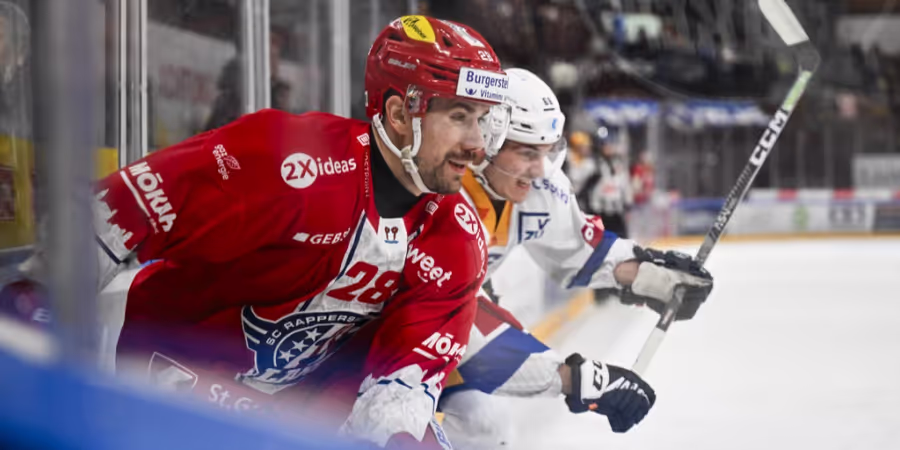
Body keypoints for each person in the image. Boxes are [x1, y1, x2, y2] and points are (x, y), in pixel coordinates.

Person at [88, 15, 510, 448]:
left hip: (282, 407)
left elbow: (403, 382)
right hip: (162, 369)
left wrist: (395, 436)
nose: (477, 144)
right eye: (459, 116)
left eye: (481, 119)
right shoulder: (294, 163)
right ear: (400, 114)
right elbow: (119, 209)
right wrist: (48, 318)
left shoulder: (456, 237)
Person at [436, 68, 714, 449]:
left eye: (547, 151)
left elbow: (580, 249)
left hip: (446, 318)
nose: (540, 169)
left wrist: (648, 274)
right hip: (384, 341)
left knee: (485, 425)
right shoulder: (440, 195)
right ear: (486, 140)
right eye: (527, 152)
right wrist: (580, 379)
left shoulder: (535, 185)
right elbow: (459, 328)